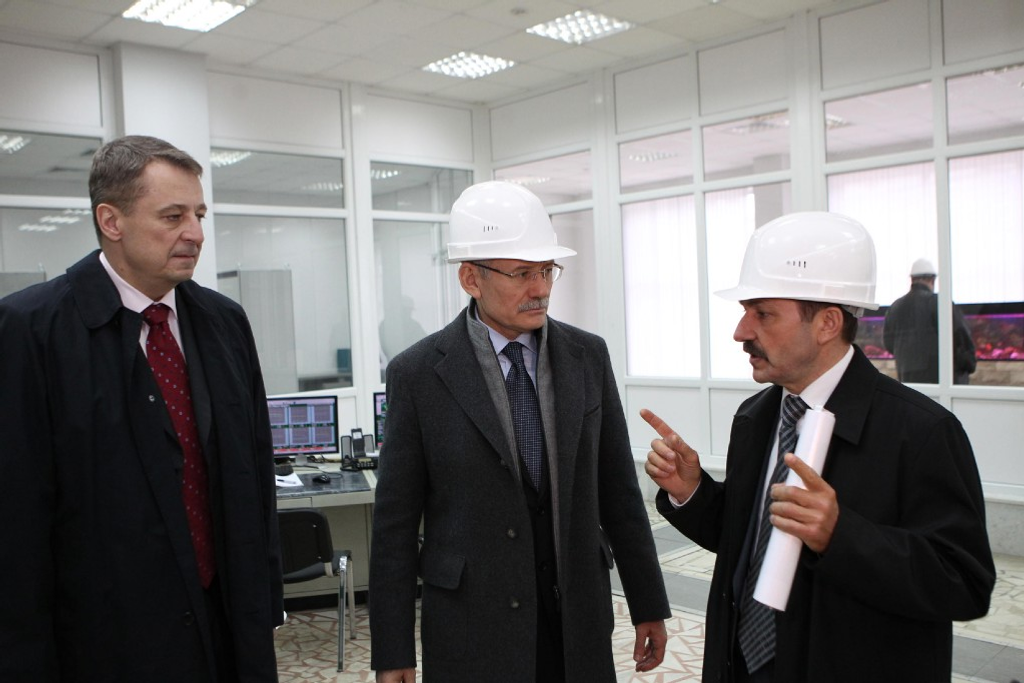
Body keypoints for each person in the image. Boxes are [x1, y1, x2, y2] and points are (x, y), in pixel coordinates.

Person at [642, 212, 995, 682]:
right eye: (745, 311)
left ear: (828, 323)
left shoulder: (922, 431)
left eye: (763, 313)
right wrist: (692, 492)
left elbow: (964, 583)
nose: (741, 332)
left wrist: (841, 535)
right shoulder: (755, 418)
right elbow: (747, 541)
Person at [0, 135, 284, 682]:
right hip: (107, 642)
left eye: (199, 214)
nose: (195, 233)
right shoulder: (30, 331)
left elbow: (255, 476)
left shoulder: (225, 323)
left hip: (229, 627)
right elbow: (16, 522)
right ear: (111, 221)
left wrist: (263, 603)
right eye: (173, 216)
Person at [369, 180, 670, 683]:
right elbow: (394, 526)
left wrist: (648, 604)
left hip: (576, 618)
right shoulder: (417, 374)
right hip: (473, 625)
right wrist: (393, 650)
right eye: (523, 273)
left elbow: (618, 491)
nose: (541, 288)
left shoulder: (587, 356)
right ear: (471, 278)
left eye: (547, 270)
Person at [883, 257, 977, 384]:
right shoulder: (939, 303)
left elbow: (889, 344)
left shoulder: (895, 307)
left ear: (912, 280)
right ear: (932, 280)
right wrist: (968, 364)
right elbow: (961, 339)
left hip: (909, 383)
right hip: (943, 384)